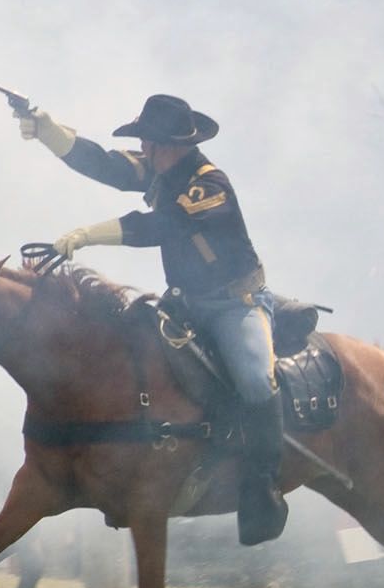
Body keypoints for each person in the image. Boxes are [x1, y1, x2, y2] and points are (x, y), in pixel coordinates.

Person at [18, 94, 288, 545]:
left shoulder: (208, 184)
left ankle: (263, 482)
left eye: (150, 143)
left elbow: (159, 227)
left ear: (174, 145)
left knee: (257, 379)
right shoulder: (161, 170)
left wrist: (86, 236)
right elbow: (104, 164)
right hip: (184, 302)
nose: (143, 151)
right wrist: (48, 131)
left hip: (235, 304)